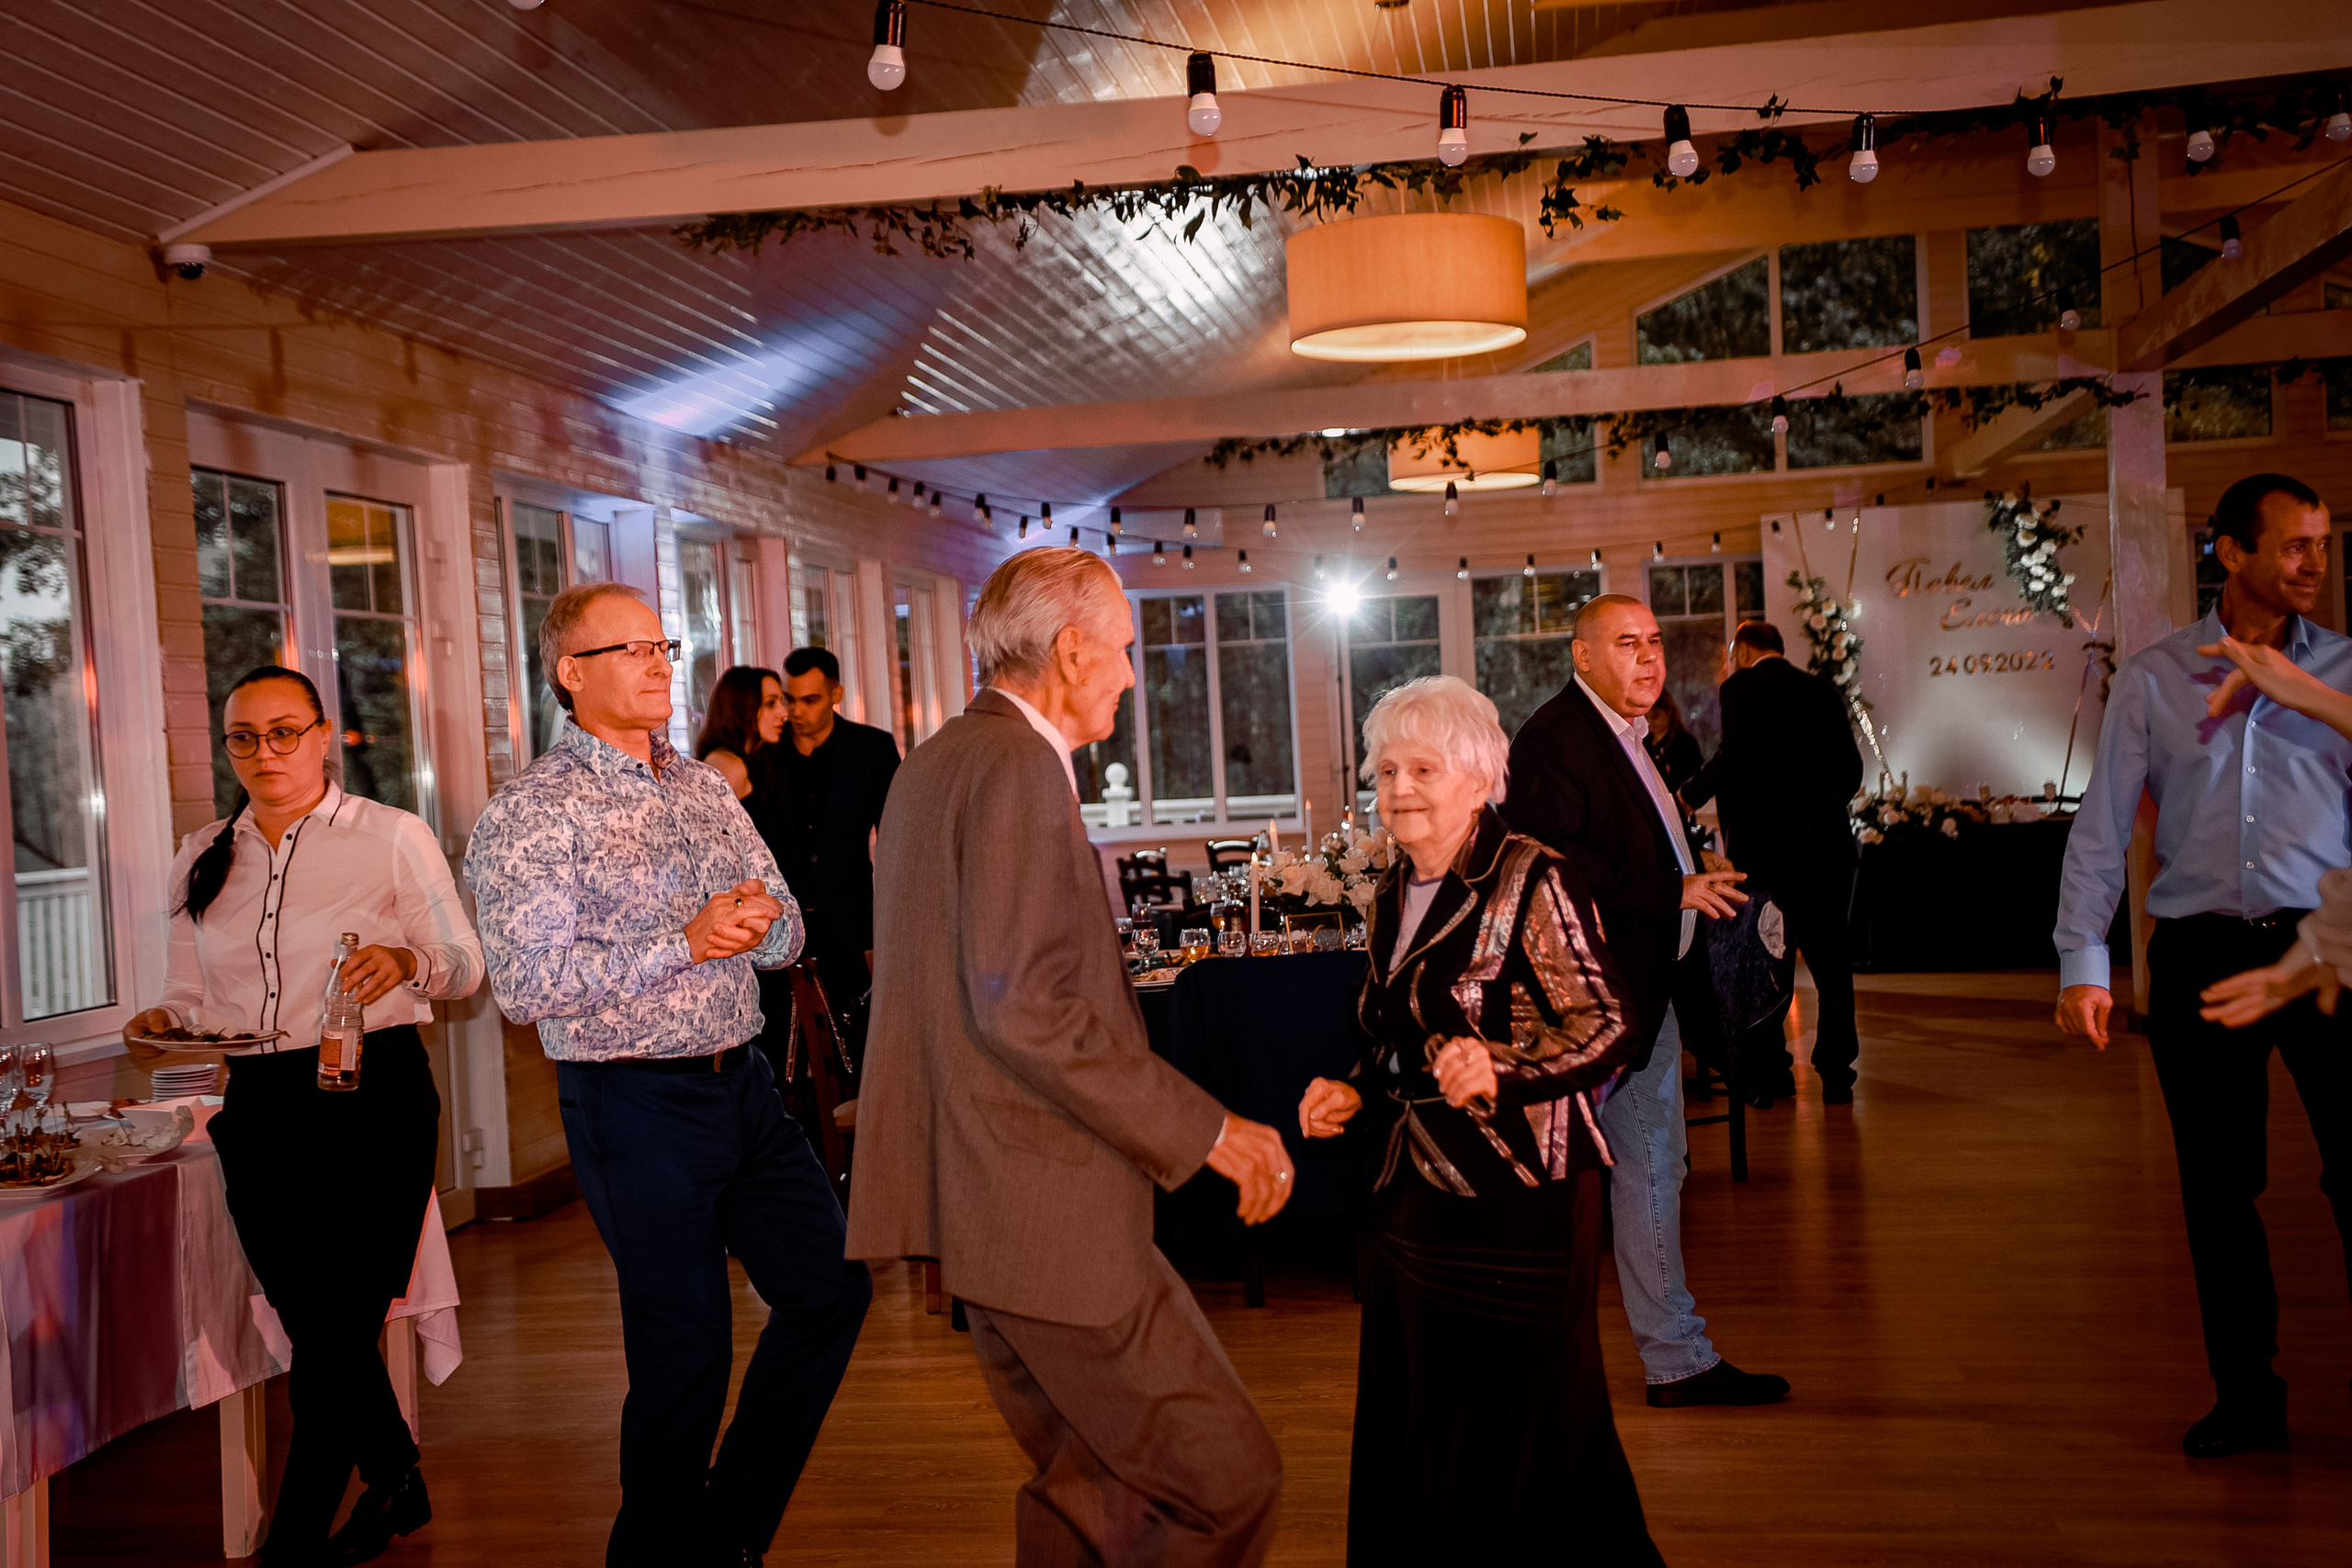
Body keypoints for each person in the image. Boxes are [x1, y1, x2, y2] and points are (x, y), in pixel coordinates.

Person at [846, 547, 1295, 1567]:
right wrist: (1209, 1129)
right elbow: (1022, 1010)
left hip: (980, 1211)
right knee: (1230, 1483)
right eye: (1126, 653)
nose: (1133, 678)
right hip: (1045, 1213)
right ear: (1072, 648)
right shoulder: (1015, 765)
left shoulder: (936, 761)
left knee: (1095, 1499)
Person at [465, 583, 870, 1567]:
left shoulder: (699, 786)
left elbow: (789, 931)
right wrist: (684, 942)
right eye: (631, 648)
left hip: (746, 1093)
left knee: (831, 1292)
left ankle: (721, 1535)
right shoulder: (532, 812)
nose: (659, 663)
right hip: (633, 1101)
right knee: (683, 1353)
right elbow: (525, 989)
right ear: (571, 672)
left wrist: (762, 924)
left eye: (664, 644)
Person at [1295, 676, 1662, 1565]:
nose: (1399, 790)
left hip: (1520, 1193)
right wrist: (1354, 1087)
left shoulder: (1530, 875)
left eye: (1422, 768)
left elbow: (1611, 1025)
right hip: (1409, 1198)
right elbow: (1396, 1036)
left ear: (1478, 776)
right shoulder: (1390, 891)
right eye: (1385, 772)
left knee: (1529, 1413)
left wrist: (1503, 1069)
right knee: (1421, 1406)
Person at [123, 665, 482, 1568]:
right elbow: (183, 992)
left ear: (324, 737)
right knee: (311, 1317)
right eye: (245, 737)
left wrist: (405, 960)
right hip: (258, 1108)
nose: (265, 753)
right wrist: (160, 1021)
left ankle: (292, 1547)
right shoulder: (202, 851)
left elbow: (463, 963)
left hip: (375, 1098)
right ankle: (396, 1474)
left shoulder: (391, 837)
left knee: (334, 1333)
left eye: (285, 732)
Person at [2054, 472, 2352, 1460]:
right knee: (2220, 1192)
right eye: (2293, 544)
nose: (2313, 562)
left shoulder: (2346, 672)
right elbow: (2101, 827)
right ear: (2229, 552)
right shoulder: (2151, 677)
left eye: (2320, 543)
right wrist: (2081, 963)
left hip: (2324, 953)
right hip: (2198, 954)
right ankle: (2245, 1398)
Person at [1504, 594, 1789, 1409]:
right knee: (1612, 1176)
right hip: (1593, 1001)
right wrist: (1676, 887)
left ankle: (1675, 1355)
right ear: (1581, 656)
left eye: (1656, 642)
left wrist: (1698, 877)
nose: (1649, 658)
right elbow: (1555, 868)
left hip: (1640, 990)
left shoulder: (1629, 736)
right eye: (1627, 643)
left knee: (1653, 1170)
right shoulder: (1555, 739)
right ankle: (1649, 1359)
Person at [1679, 618, 1866, 1103]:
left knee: (1768, 961)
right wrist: (1820, 809)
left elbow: (1735, 754)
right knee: (1831, 965)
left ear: (1741, 652)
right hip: (1828, 852)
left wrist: (1688, 794)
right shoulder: (1821, 690)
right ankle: (1837, 1073)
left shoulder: (1741, 686)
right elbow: (1852, 770)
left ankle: (1773, 1074)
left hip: (1769, 856)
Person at [758, 646, 900, 1058]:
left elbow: (894, 834)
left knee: (857, 1045)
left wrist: (891, 917)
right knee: (780, 1050)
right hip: (779, 919)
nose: (797, 710)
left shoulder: (871, 749)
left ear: (836, 695)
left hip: (848, 919)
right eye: (790, 698)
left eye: (810, 699)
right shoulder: (765, 750)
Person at [695, 664, 786, 801]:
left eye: (781, 701)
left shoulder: (760, 759)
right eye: (770, 703)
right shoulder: (729, 765)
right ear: (741, 708)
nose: (784, 713)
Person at [1644, 686, 1704, 800]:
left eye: (1655, 716)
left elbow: (1694, 779)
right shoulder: (1644, 743)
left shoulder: (1685, 743)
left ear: (1669, 712)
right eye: (1646, 718)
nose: (1650, 722)